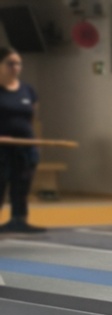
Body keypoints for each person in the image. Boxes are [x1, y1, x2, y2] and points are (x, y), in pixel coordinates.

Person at [0, 47, 43, 233]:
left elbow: (33, 119)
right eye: (10, 63)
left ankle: (19, 220)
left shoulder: (28, 90)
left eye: (18, 64)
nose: (15, 67)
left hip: (25, 148)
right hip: (2, 149)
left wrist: (35, 143)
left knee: (21, 186)